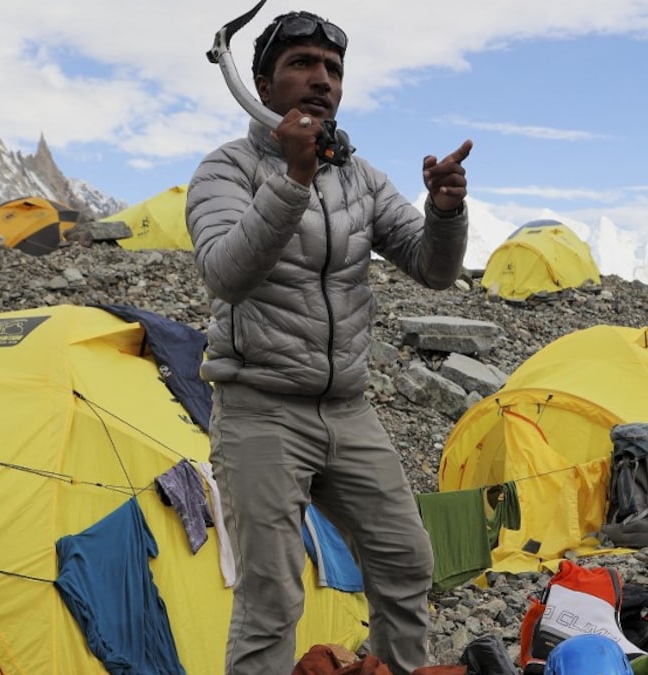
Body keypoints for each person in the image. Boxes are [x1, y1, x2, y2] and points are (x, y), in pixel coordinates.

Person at [186, 9, 473, 675]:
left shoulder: (361, 179)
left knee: (405, 560)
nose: (322, 79)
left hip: (347, 408)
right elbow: (226, 273)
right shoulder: (224, 171)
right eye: (302, 64)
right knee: (271, 596)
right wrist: (292, 179)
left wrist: (445, 211)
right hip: (259, 409)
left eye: (333, 69)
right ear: (263, 85)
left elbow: (433, 270)